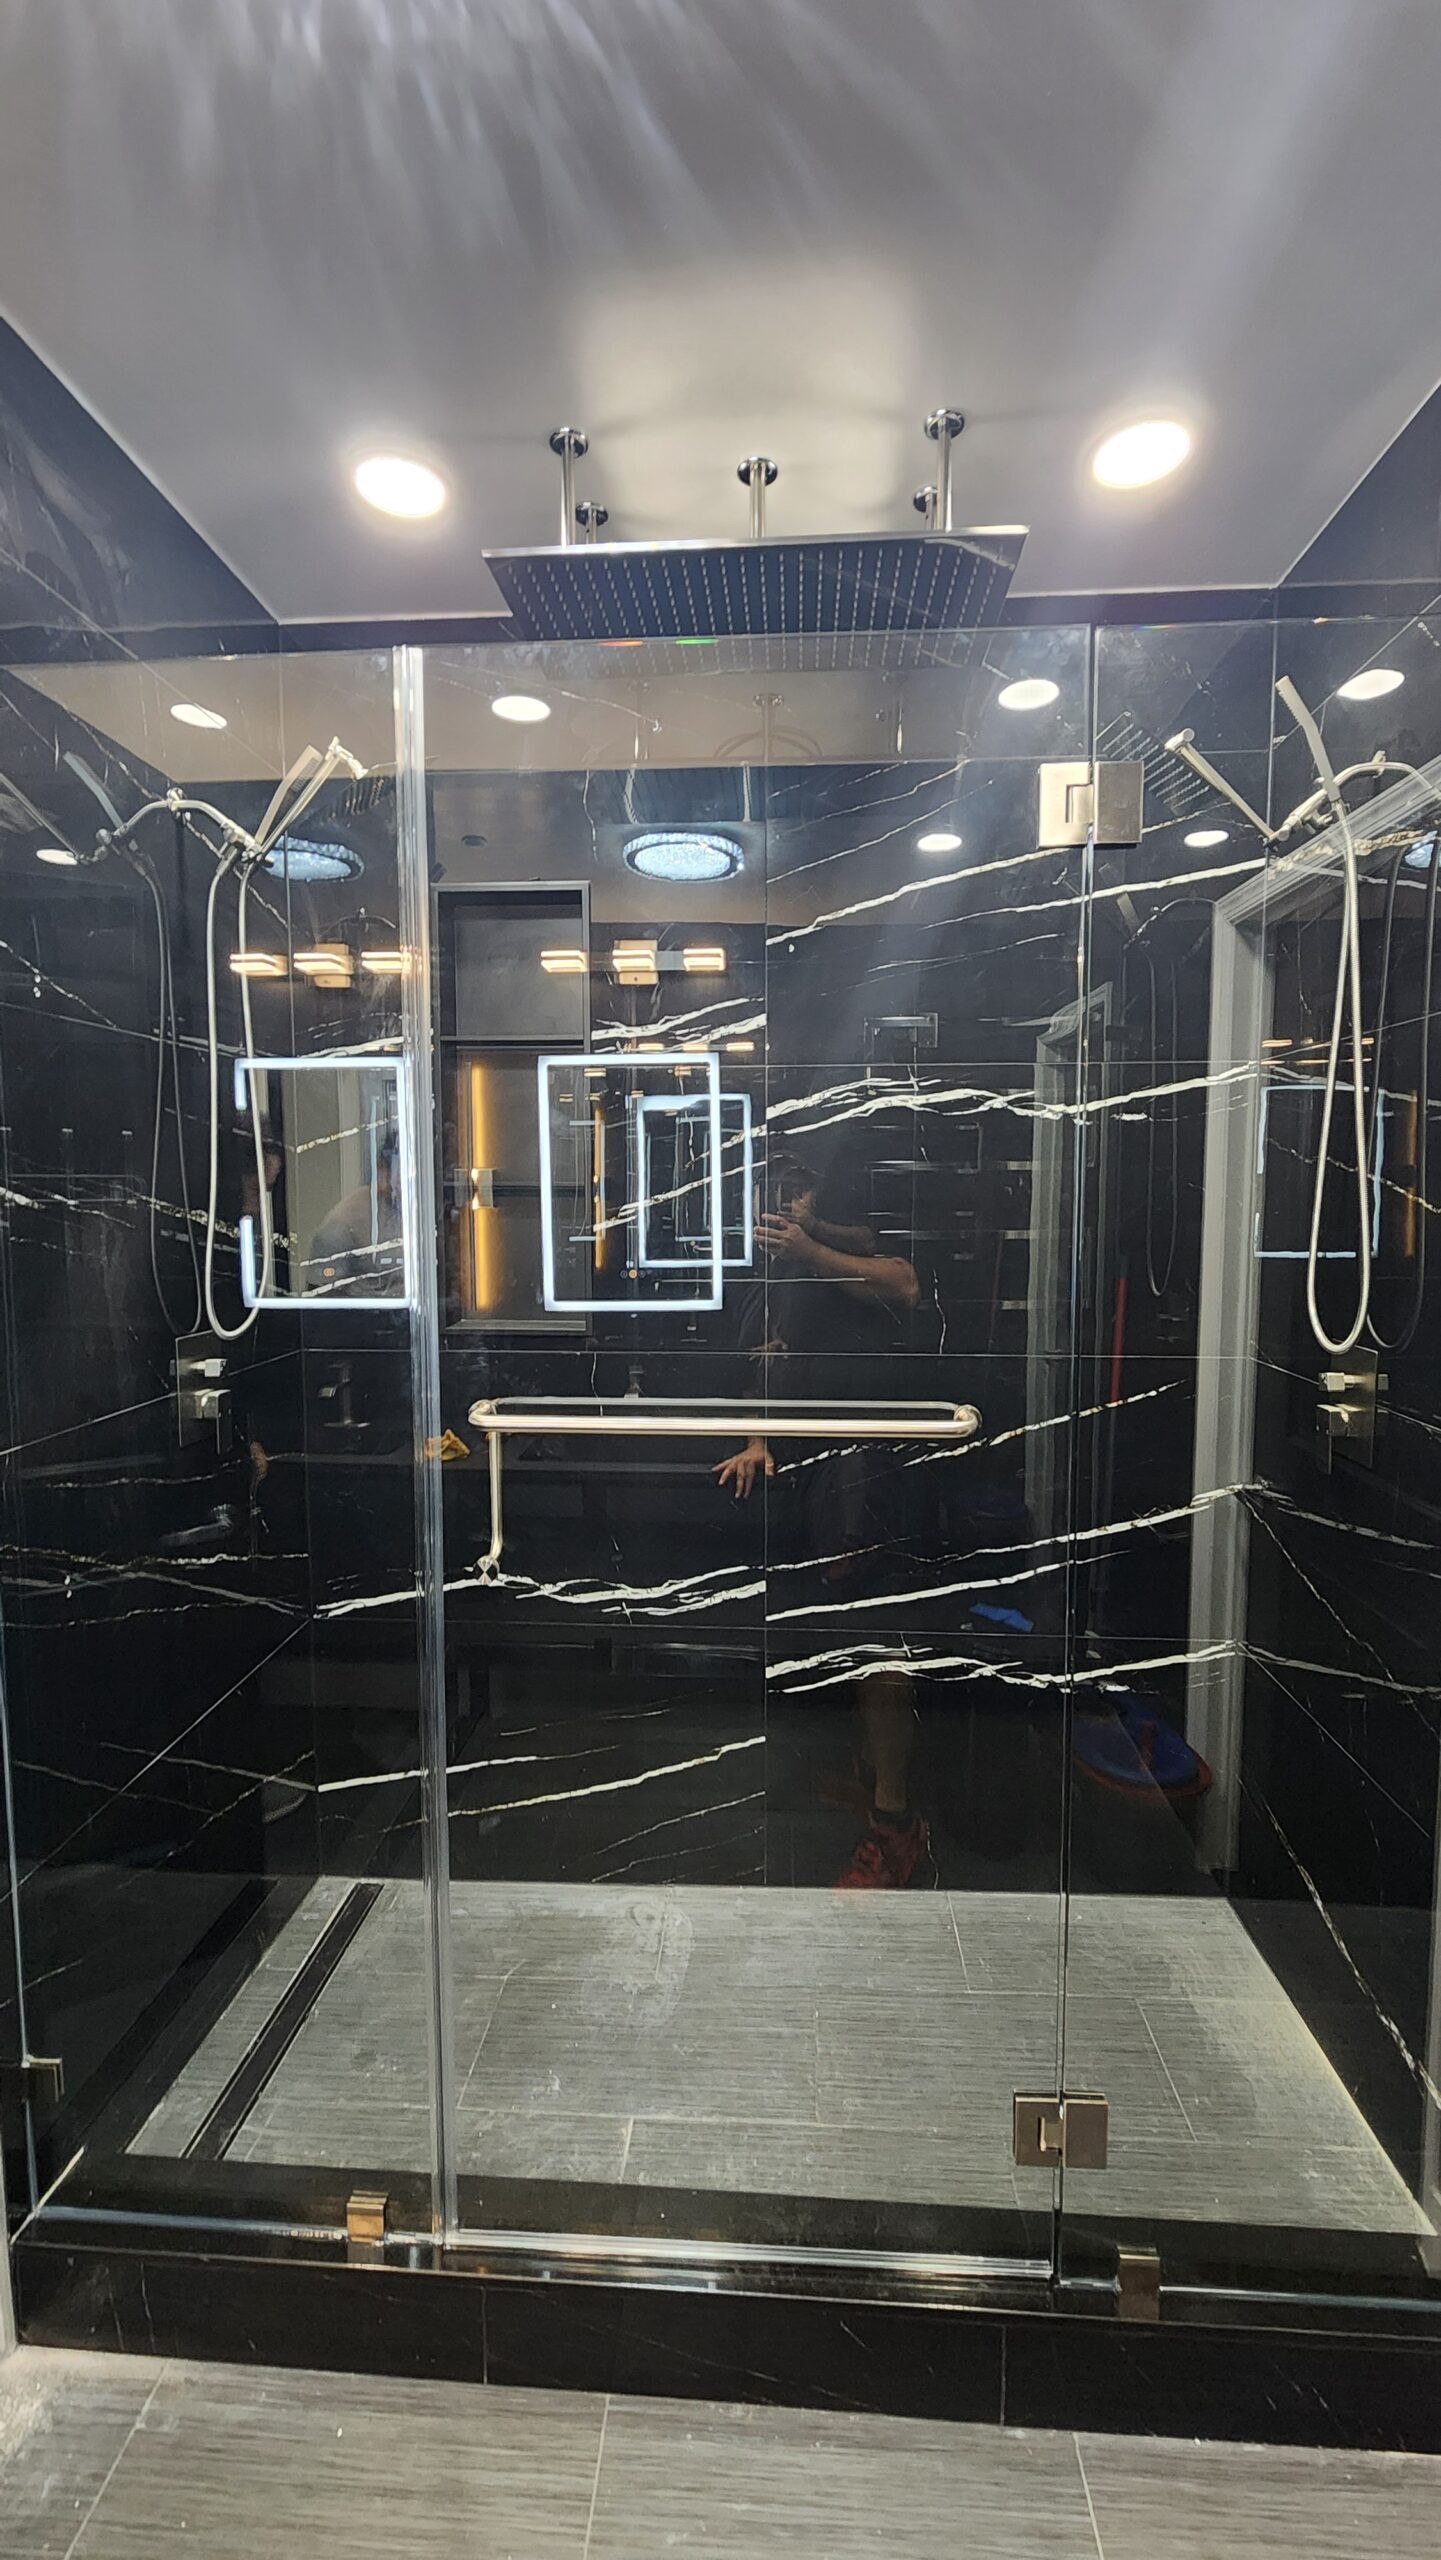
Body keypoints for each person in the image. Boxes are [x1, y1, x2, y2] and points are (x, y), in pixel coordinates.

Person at [716, 1142, 937, 1889]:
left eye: (802, 1192)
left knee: (875, 1635)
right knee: (843, 1627)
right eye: (781, 1193)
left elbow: (904, 1284)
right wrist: (757, 1437)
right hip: (816, 1467)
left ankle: (896, 1823)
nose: (788, 1205)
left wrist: (811, 1246)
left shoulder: (853, 1243)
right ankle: (871, 1783)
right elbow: (767, 1353)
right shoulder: (786, 1262)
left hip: (868, 1466)